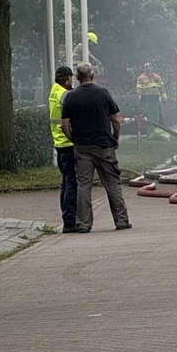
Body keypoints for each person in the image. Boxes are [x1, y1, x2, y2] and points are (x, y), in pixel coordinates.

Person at [61, 62, 131, 233]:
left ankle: (84, 224)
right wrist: (115, 138)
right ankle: (121, 221)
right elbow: (115, 119)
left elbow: (64, 125)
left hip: (82, 147)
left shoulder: (70, 97)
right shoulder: (103, 93)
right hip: (104, 145)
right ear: (92, 75)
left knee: (83, 185)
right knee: (112, 183)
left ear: (77, 77)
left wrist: (75, 139)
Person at [49, 65, 78, 233]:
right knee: (71, 183)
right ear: (68, 78)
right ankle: (69, 220)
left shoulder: (54, 91)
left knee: (66, 182)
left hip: (59, 142)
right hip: (68, 142)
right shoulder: (65, 94)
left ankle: (67, 217)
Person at [136, 62, 167, 127]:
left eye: (149, 66)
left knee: (159, 117)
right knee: (149, 118)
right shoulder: (140, 78)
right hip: (147, 102)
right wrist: (140, 100)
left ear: (152, 68)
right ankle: (150, 131)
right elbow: (139, 90)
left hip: (157, 101)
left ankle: (160, 130)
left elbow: (162, 89)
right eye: (145, 67)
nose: (147, 68)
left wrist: (164, 98)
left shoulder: (157, 77)